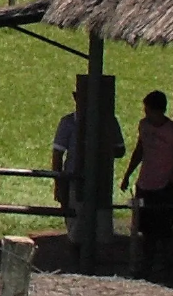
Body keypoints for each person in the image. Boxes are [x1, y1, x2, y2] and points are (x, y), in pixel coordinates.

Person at [121, 90, 173, 278]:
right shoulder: (144, 126)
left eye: (149, 110)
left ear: (159, 111)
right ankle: (146, 265)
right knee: (145, 229)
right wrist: (128, 174)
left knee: (163, 230)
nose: (146, 114)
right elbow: (140, 150)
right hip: (144, 184)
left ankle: (167, 266)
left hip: (162, 186)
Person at [52, 100, 125, 241]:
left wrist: (101, 145)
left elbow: (120, 150)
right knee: (76, 231)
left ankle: (91, 260)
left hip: (100, 182)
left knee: (101, 232)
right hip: (75, 181)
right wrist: (59, 184)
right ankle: (77, 260)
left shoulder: (109, 122)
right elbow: (57, 155)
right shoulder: (68, 122)